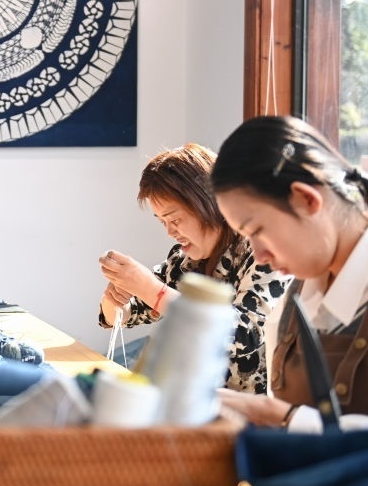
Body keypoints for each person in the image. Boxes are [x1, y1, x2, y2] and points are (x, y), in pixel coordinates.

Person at [213, 116, 368, 431]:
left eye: (257, 231)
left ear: (306, 199)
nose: (259, 256)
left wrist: (284, 417)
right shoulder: (297, 297)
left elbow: (284, 414)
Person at [98, 143, 290, 392]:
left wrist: (150, 288)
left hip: (252, 408)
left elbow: (245, 335)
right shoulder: (184, 261)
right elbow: (122, 315)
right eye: (162, 222)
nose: (170, 231)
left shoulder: (265, 253)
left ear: (208, 202)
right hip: (195, 401)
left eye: (175, 219)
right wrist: (116, 298)